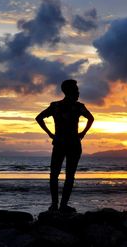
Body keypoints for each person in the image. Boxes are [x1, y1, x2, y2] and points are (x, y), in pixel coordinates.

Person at [35, 79, 94, 213]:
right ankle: (60, 205)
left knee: (55, 175)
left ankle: (56, 205)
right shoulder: (78, 106)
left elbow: (39, 118)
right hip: (72, 143)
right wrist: (83, 133)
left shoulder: (57, 106)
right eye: (76, 90)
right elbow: (91, 118)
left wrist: (51, 134)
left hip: (61, 143)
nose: (78, 92)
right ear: (70, 91)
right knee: (68, 176)